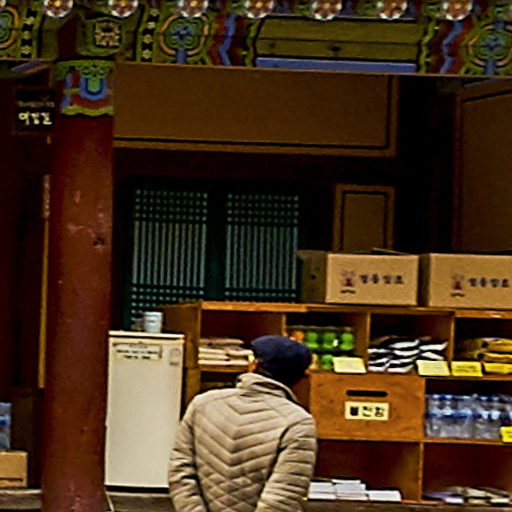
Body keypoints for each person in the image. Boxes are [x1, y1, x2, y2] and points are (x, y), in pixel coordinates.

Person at [169, 335, 317, 512]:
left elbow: (180, 470)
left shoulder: (203, 404)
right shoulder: (297, 422)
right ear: (302, 378)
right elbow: (284, 495)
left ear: (253, 366)